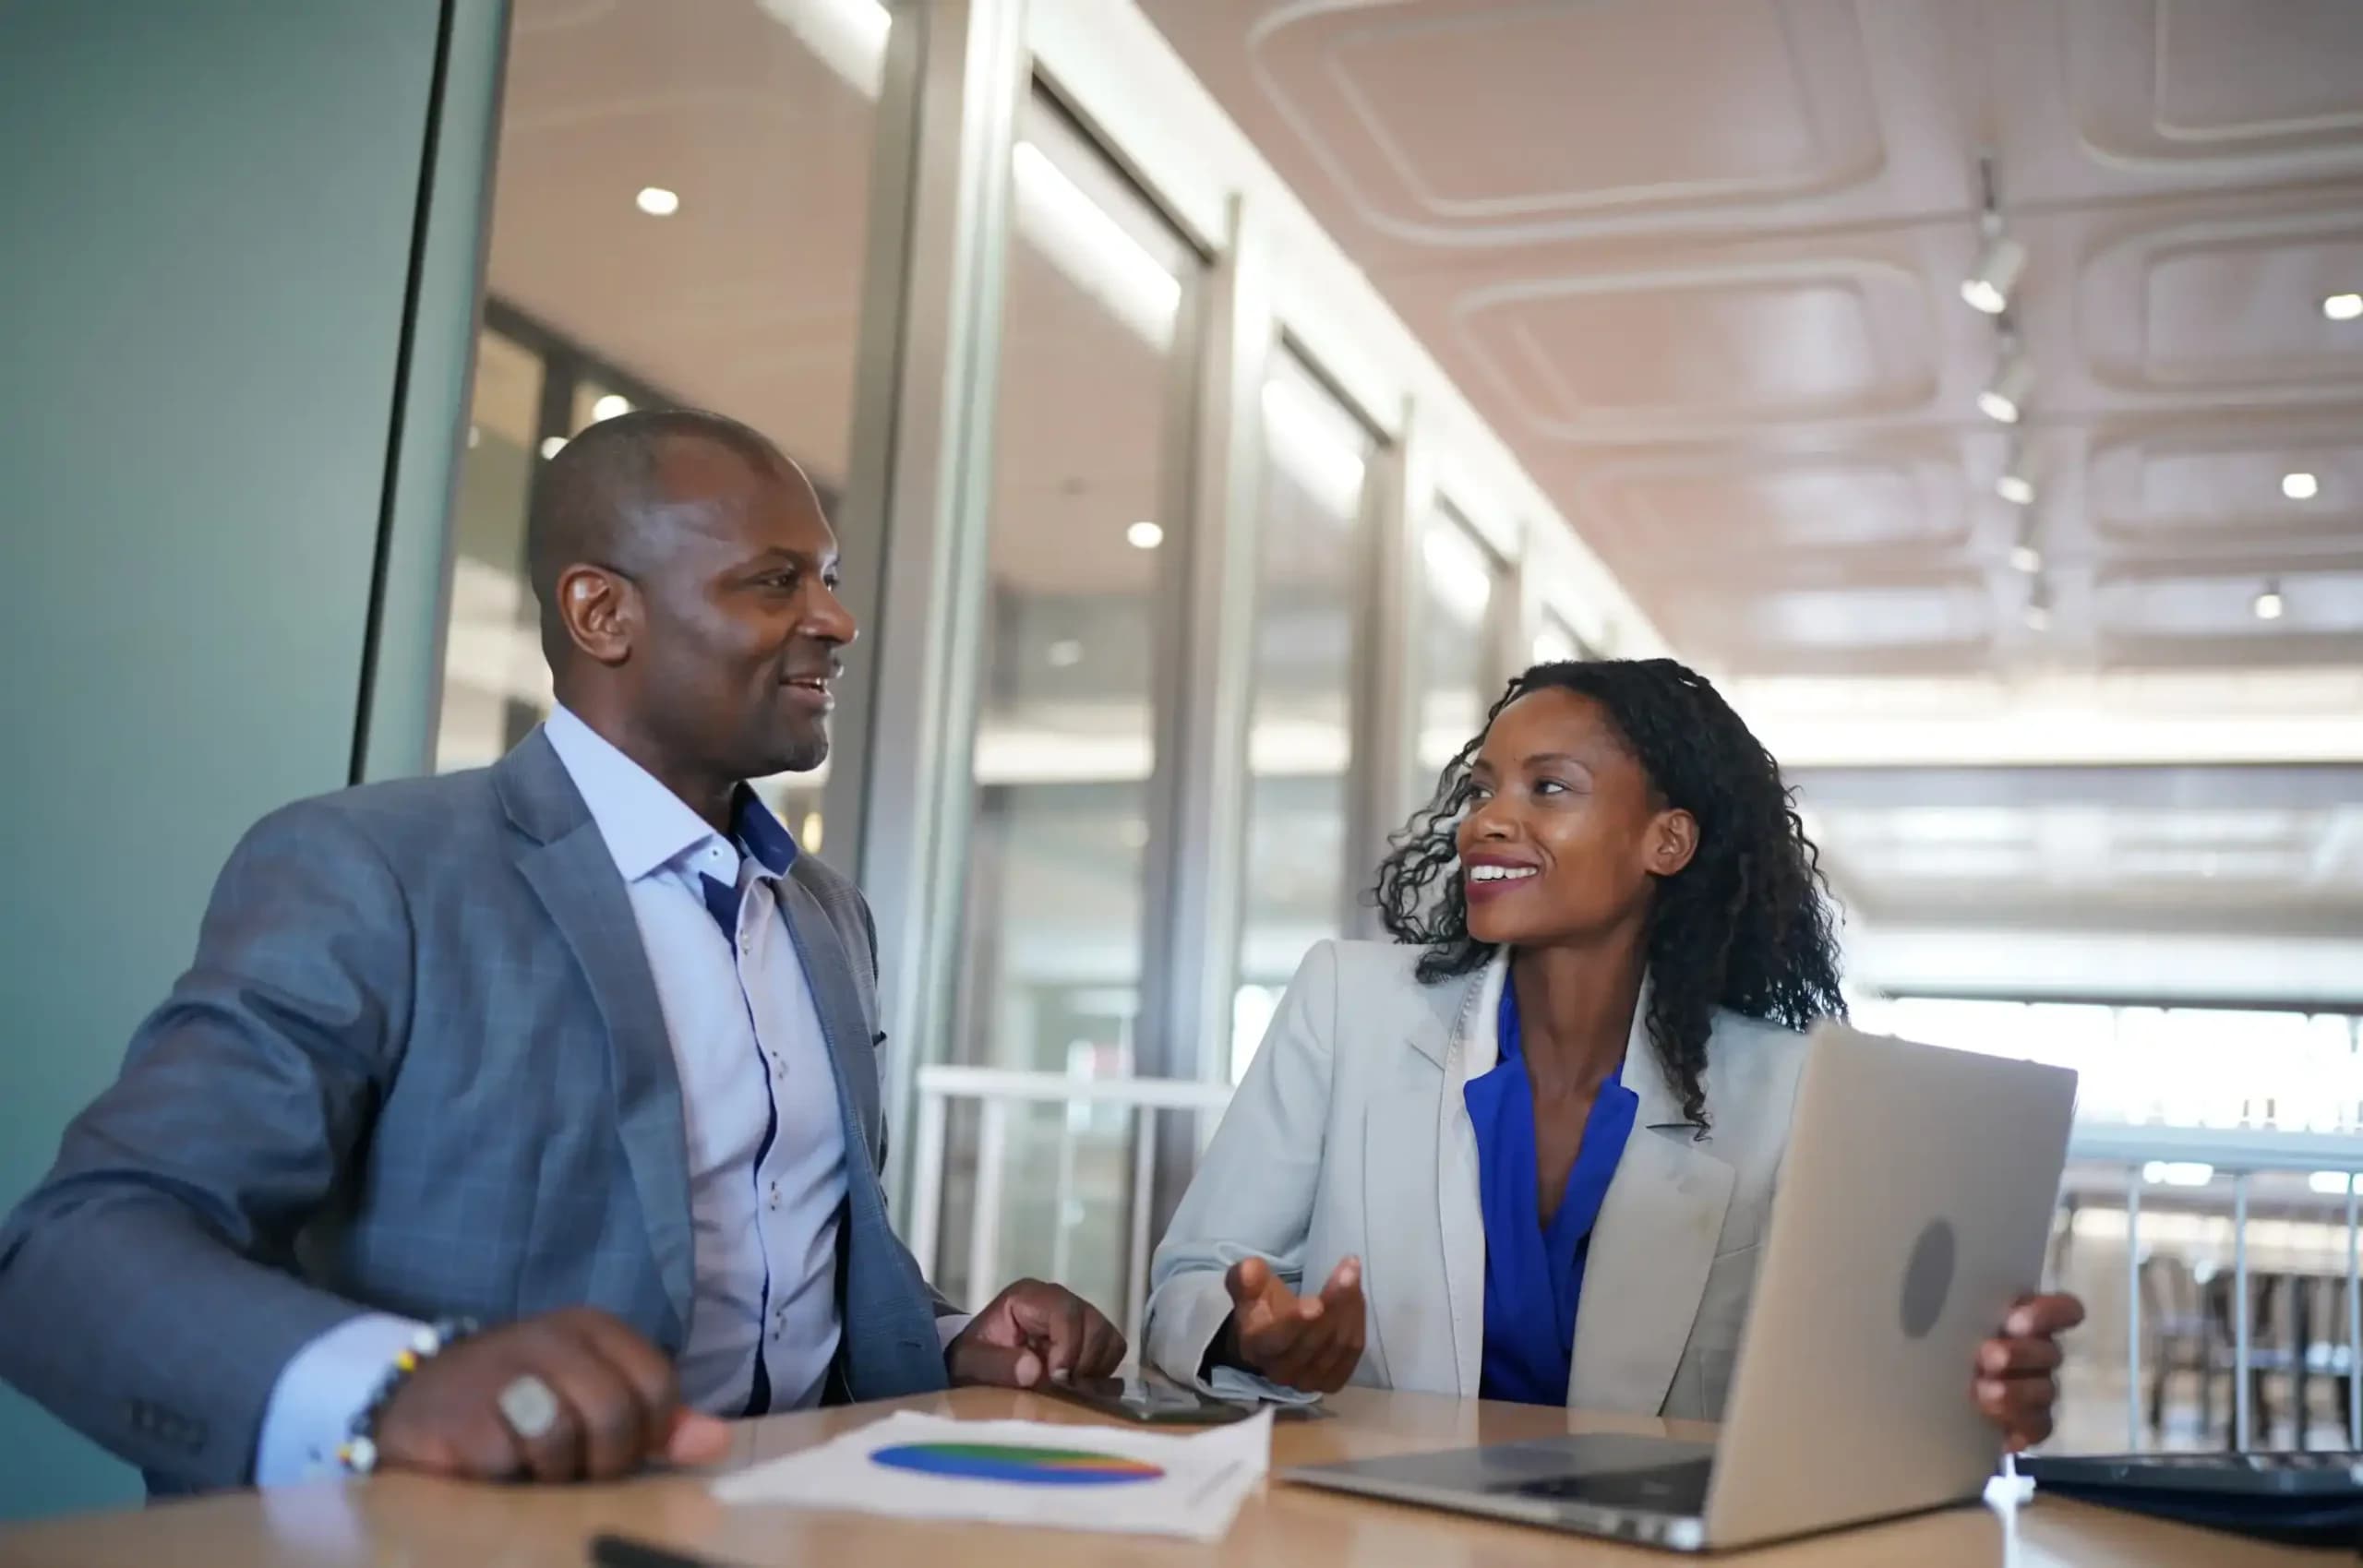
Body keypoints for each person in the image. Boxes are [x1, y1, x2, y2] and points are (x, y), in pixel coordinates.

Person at [0, 408, 1122, 1495]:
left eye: (827, 576)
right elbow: (75, 1256)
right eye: (777, 580)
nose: (837, 619)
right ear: (601, 613)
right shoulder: (374, 870)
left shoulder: (826, 916)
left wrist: (941, 1338)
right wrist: (398, 1391)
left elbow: (775, 1254)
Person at [1145, 658, 2080, 1446]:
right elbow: (1189, 1280)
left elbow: (1846, 1387)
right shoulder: (1346, 1005)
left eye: (1547, 788)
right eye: (1482, 789)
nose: (1486, 821)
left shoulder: (1792, 1092)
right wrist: (1250, 1338)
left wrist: (1970, 1393)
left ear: (1665, 841)